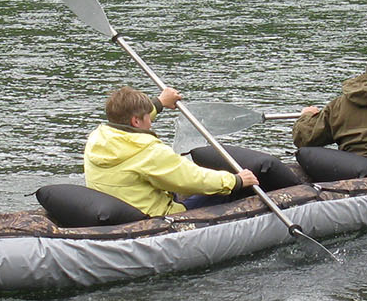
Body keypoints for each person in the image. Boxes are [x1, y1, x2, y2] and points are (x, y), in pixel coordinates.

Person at [84, 85, 258, 216]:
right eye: (147, 117)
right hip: (157, 216)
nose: (150, 122)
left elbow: (129, 119)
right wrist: (236, 181)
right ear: (136, 121)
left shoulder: (98, 138)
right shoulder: (148, 152)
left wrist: (160, 103)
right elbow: (195, 179)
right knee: (227, 193)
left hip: (125, 209)